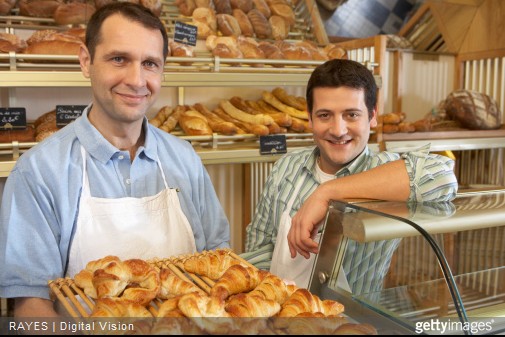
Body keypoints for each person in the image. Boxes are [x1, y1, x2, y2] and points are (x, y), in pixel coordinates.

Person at [0, 2, 230, 317]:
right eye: (119, 59)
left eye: (150, 63)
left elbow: (219, 268)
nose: (137, 80)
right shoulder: (39, 172)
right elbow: (30, 306)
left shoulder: (185, 159)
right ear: (86, 61)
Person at [242, 59, 458, 290]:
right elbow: (261, 249)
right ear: (310, 117)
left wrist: (326, 193)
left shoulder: (382, 168)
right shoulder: (286, 167)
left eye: (351, 115)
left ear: (373, 115)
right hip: (280, 316)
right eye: (325, 115)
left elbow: (443, 177)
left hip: (350, 323)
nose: (338, 130)